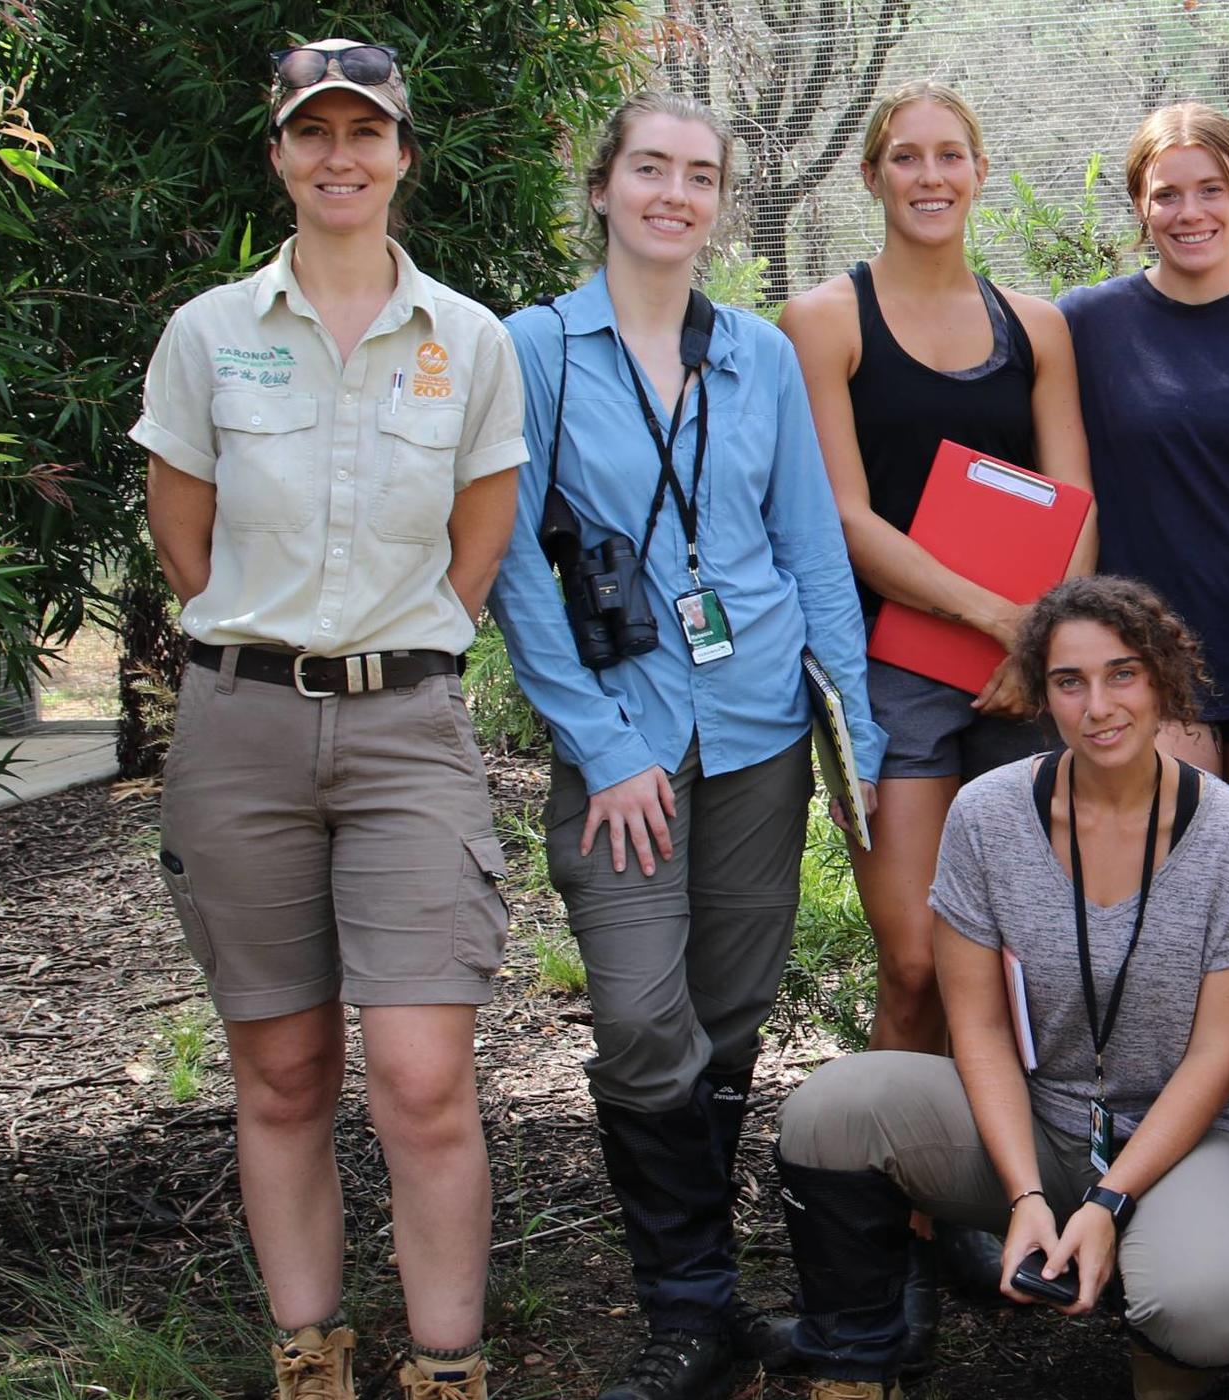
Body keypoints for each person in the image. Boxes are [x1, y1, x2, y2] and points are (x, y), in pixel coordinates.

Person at [132, 40, 522, 1400]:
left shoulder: (468, 341)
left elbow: (482, 537)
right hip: (241, 730)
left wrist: (393, 647)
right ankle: (311, 1358)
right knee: (285, 1071)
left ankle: (446, 1366)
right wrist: (268, 633)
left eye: (367, 132)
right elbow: (184, 528)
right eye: (315, 134)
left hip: (406, 730)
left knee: (422, 1076)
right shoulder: (210, 333)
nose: (341, 155)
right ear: (283, 157)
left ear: (405, 154)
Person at [483, 91, 886, 1400]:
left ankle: (699, 1309)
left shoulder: (758, 355)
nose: (673, 192)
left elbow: (811, 550)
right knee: (643, 1016)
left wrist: (858, 730)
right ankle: (691, 1300)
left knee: (727, 1018)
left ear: (718, 203)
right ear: (601, 189)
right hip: (627, 745)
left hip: (763, 728)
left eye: (697, 175)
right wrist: (600, 744)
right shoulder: (536, 349)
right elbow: (514, 572)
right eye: (648, 168)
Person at [775, 577, 1229, 1400]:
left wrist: (1109, 1202)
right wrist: (1023, 1193)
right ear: (1041, 694)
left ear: (1162, 679)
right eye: (1068, 681)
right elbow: (976, 1026)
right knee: (832, 1109)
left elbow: (1217, 1058)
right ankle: (855, 1364)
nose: (1099, 705)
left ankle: (1156, 1330)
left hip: (1180, 1133)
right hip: (1034, 1118)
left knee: (1210, 1305)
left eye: (1122, 674)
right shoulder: (988, 815)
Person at [783, 80, 1091, 1060]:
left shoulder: (1035, 326)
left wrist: (1036, 640)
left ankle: (995, 1187)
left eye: (949, 155)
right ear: (871, 175)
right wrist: (994, 617)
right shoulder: (825, 321)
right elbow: (841, 513)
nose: (930, 176)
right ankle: (890, 1198)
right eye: (906, 157)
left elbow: (1073, 499)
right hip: (893, 671)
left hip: (1023, 673)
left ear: (979, 172)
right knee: (914, 961)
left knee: (1018, 956)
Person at [1059, 101, 1229, 1114]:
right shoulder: (1084, 325)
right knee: (1169, 908)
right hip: (1148, 667)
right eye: (1165, 192)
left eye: (1208, 188)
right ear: (1139, 207)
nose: (1188, 211)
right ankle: (1138, 1126)